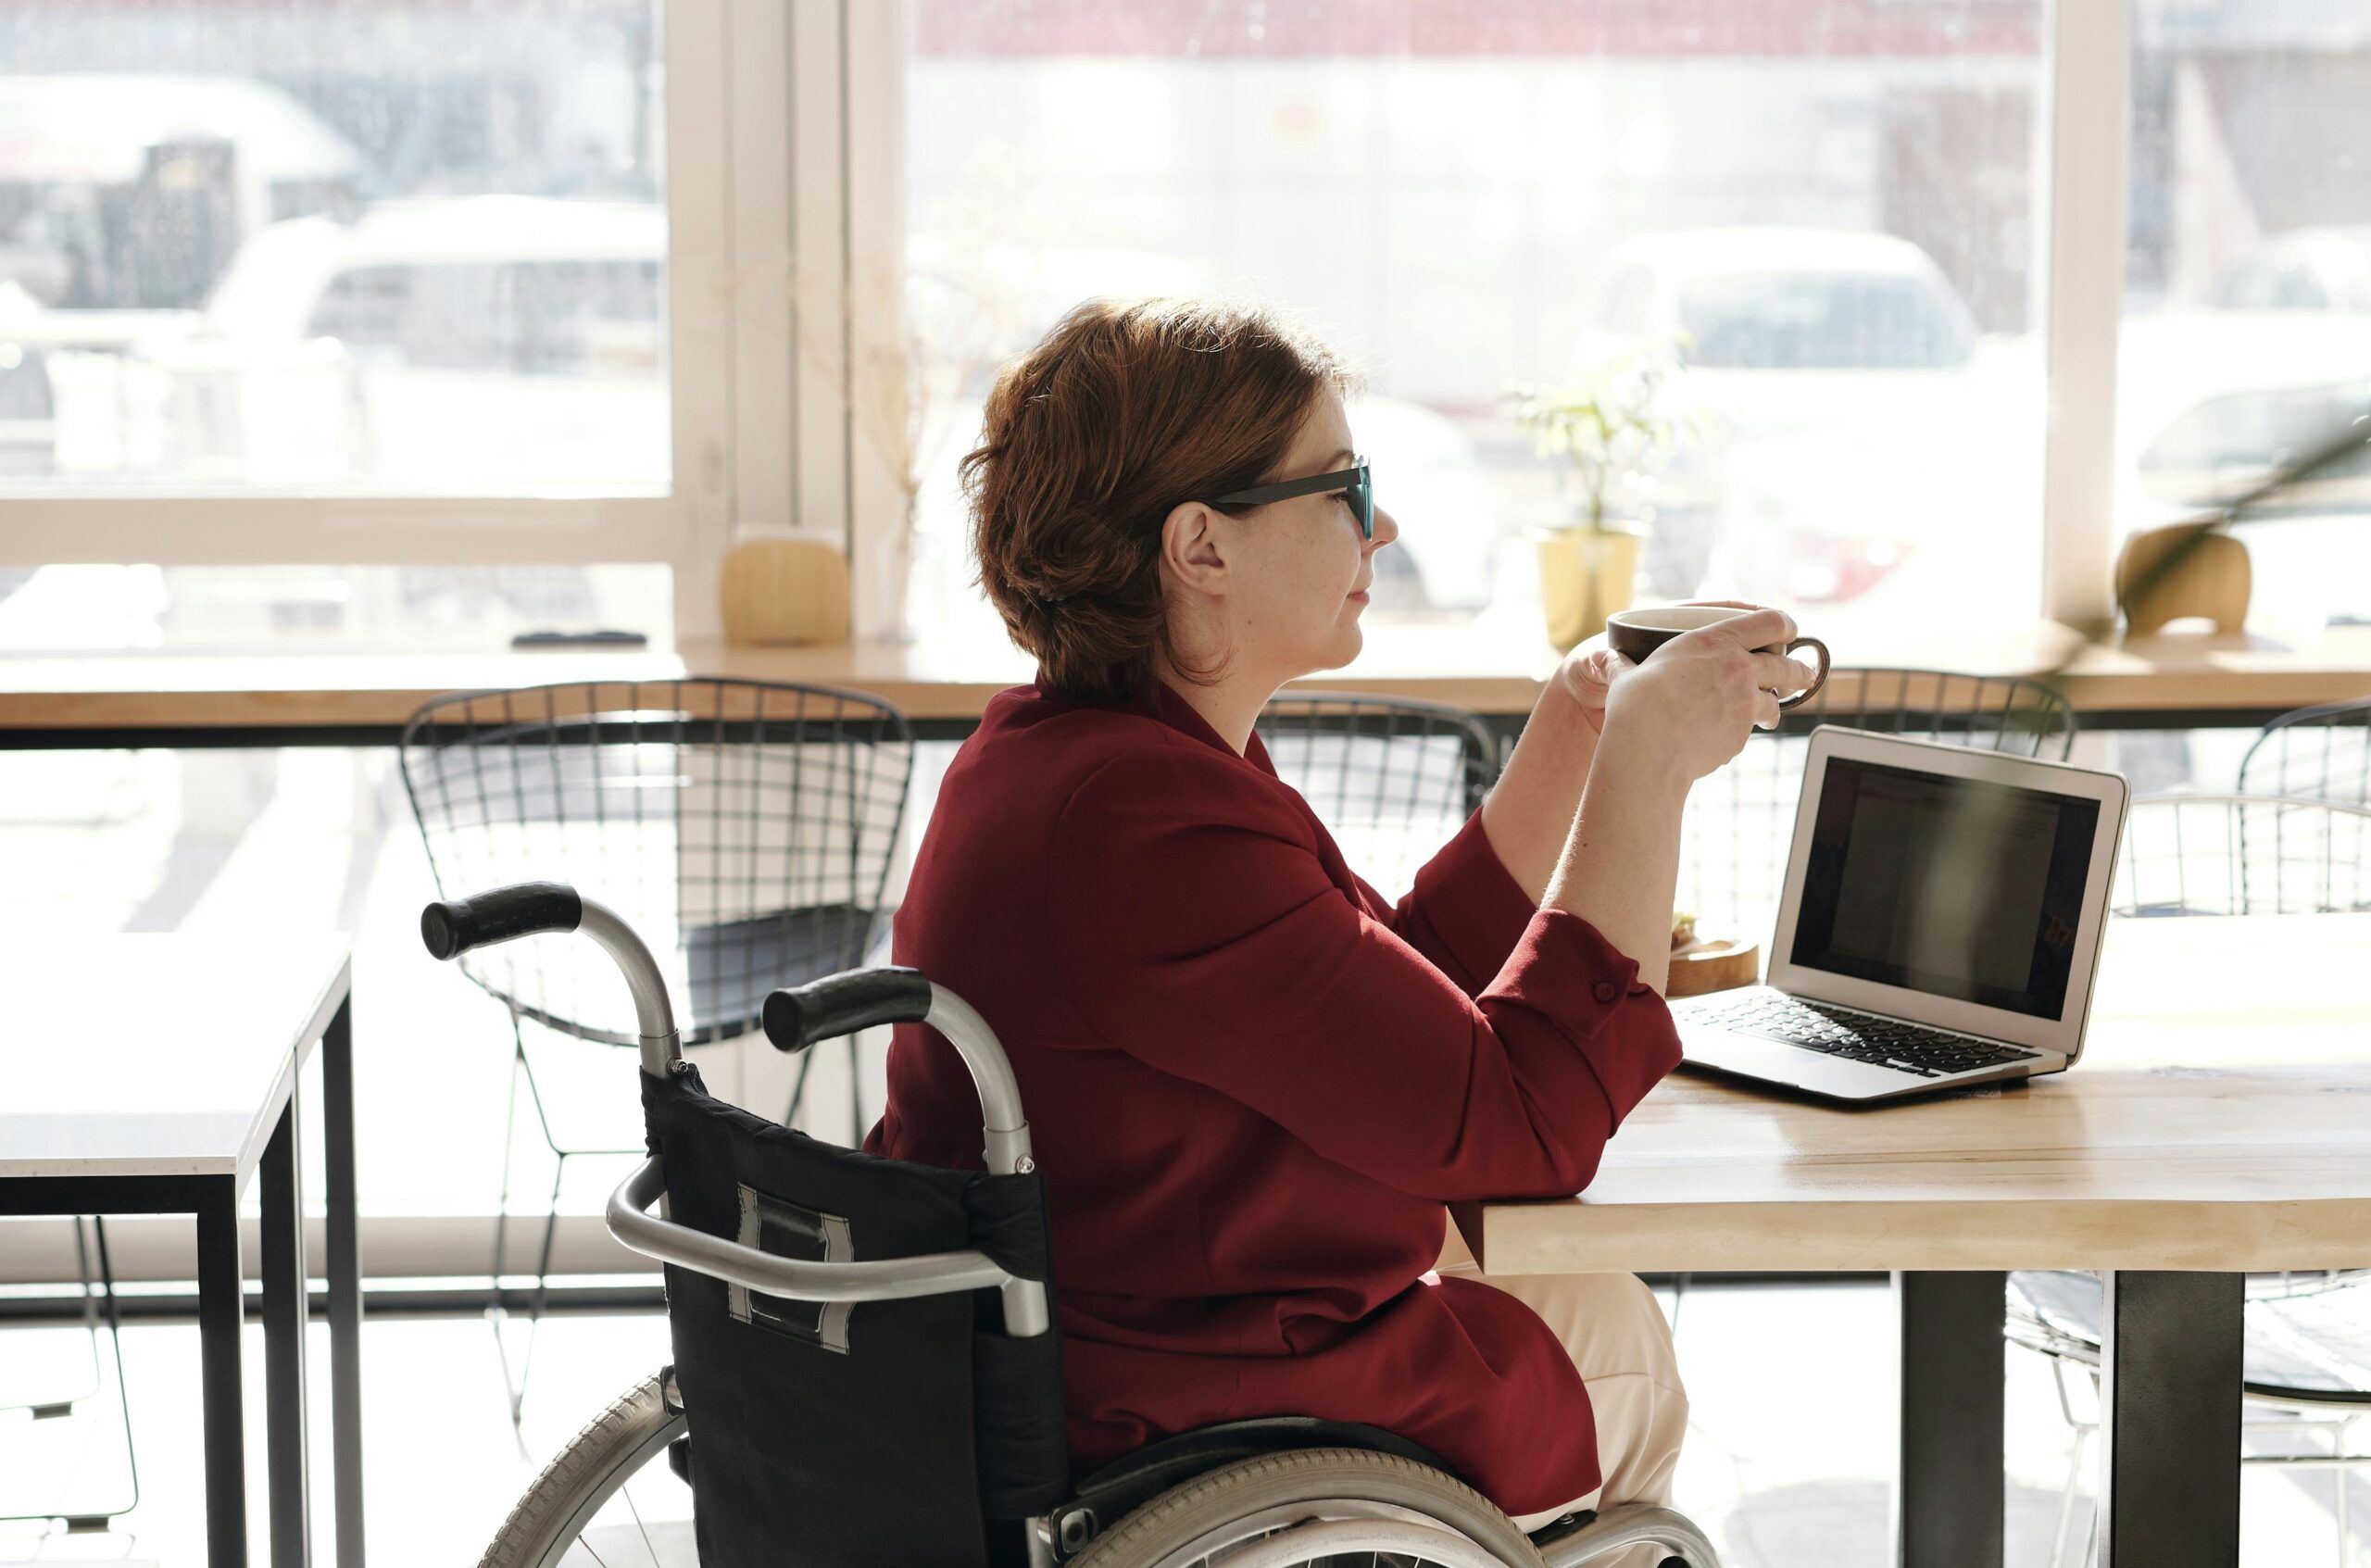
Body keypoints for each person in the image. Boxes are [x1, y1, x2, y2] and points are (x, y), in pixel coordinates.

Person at [868, 296, 1814, 1551]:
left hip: (1117, 1337)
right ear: (1200, 545)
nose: (1384, 524)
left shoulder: (1077, 759)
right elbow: (1524, 1125)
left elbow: (1398, 1001)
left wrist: (1574, 734)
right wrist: (1647, 771)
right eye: (1342, 487)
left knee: (1590, 1304)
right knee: (1623, 1344)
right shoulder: (1145, 824)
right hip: (1180, 1404)